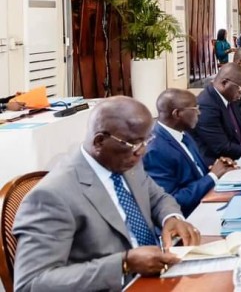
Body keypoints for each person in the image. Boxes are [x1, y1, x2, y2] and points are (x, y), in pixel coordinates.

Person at [13, 96, 201, 292]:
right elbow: (31, 283)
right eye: (135, 144)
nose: (142, 151)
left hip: (158, 278)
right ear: (99, 141)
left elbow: (158, 198)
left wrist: (171, 218)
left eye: (146, 140)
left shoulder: (126, 162)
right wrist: (124, 264)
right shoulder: (52, 196)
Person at [144, 89, 238, 216]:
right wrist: (213, 176)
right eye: (195, 108)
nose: (199, 112)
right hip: (192, 215)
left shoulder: (182, 132)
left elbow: (196, 172)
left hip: (209, 197)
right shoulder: (155, 150)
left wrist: (219, 167)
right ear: (177, 114)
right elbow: (172, 200)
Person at [191, 64, 241, 165]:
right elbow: (222, 147)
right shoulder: (206, 106)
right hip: (221, 162)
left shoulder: (229, 96)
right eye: (240, 87)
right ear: (225, 83)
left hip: (239, 153)